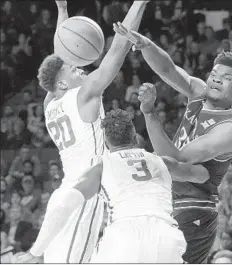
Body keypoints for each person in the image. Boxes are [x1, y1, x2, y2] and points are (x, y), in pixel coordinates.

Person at [14, 0, 149, 263]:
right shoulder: (85, 94)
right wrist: (139, 3)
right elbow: (118, 50)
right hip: (83, 196)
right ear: (63, 82)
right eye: (75, 69)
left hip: (64, 193)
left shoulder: (50, 102)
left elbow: (60, 57)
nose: (80, 67)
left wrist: (62, 11)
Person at [113, 23, 232, 263]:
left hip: (194, 208)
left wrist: (149, 113)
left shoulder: (230, 129)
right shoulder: (200, 93)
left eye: (226, 78)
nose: (217, 81)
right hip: (170, 201)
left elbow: (176, 160)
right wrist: (145, 44)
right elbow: (169, 69)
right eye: (215, 75)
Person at [17, 109, 210, 263]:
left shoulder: (101, 167)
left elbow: (63, 206)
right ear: (134, 135)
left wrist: (36, 251)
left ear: (106, 141)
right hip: (165, 236)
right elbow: (202, 175)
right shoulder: (161, 161)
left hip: (124, 236)